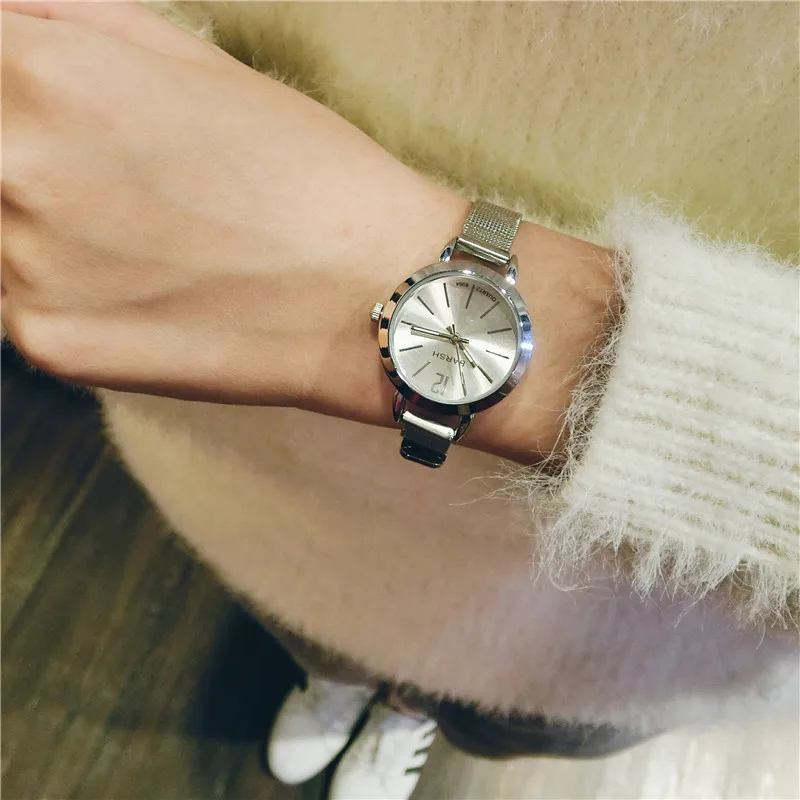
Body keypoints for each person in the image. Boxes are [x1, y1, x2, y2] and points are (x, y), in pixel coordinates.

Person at [2, 3, 797, 799]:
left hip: (627, 622)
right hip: (256, 486)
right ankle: (340, 684)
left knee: (493, 723)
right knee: (310, 638)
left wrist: (571, 351)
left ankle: (405, 713)